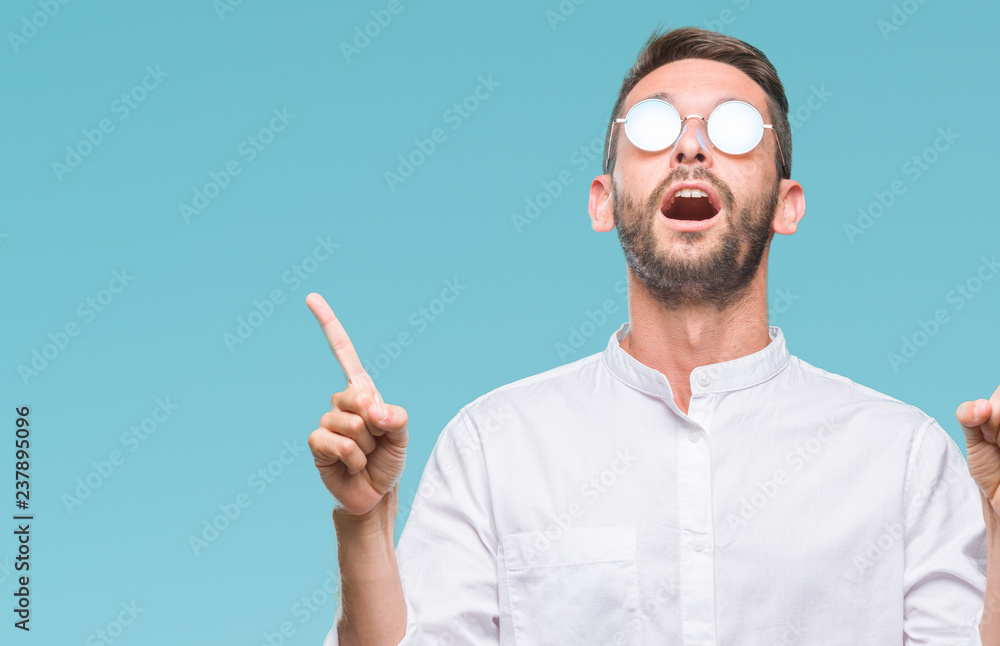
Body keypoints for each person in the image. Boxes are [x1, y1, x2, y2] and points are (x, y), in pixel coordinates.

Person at [306, 26, 1000, 645]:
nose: (691, 145)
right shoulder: (493, 448)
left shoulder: (901, 458)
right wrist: (365, 526)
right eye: (651, 126)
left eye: (732, 128)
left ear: (787, 205)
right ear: (603, 200)